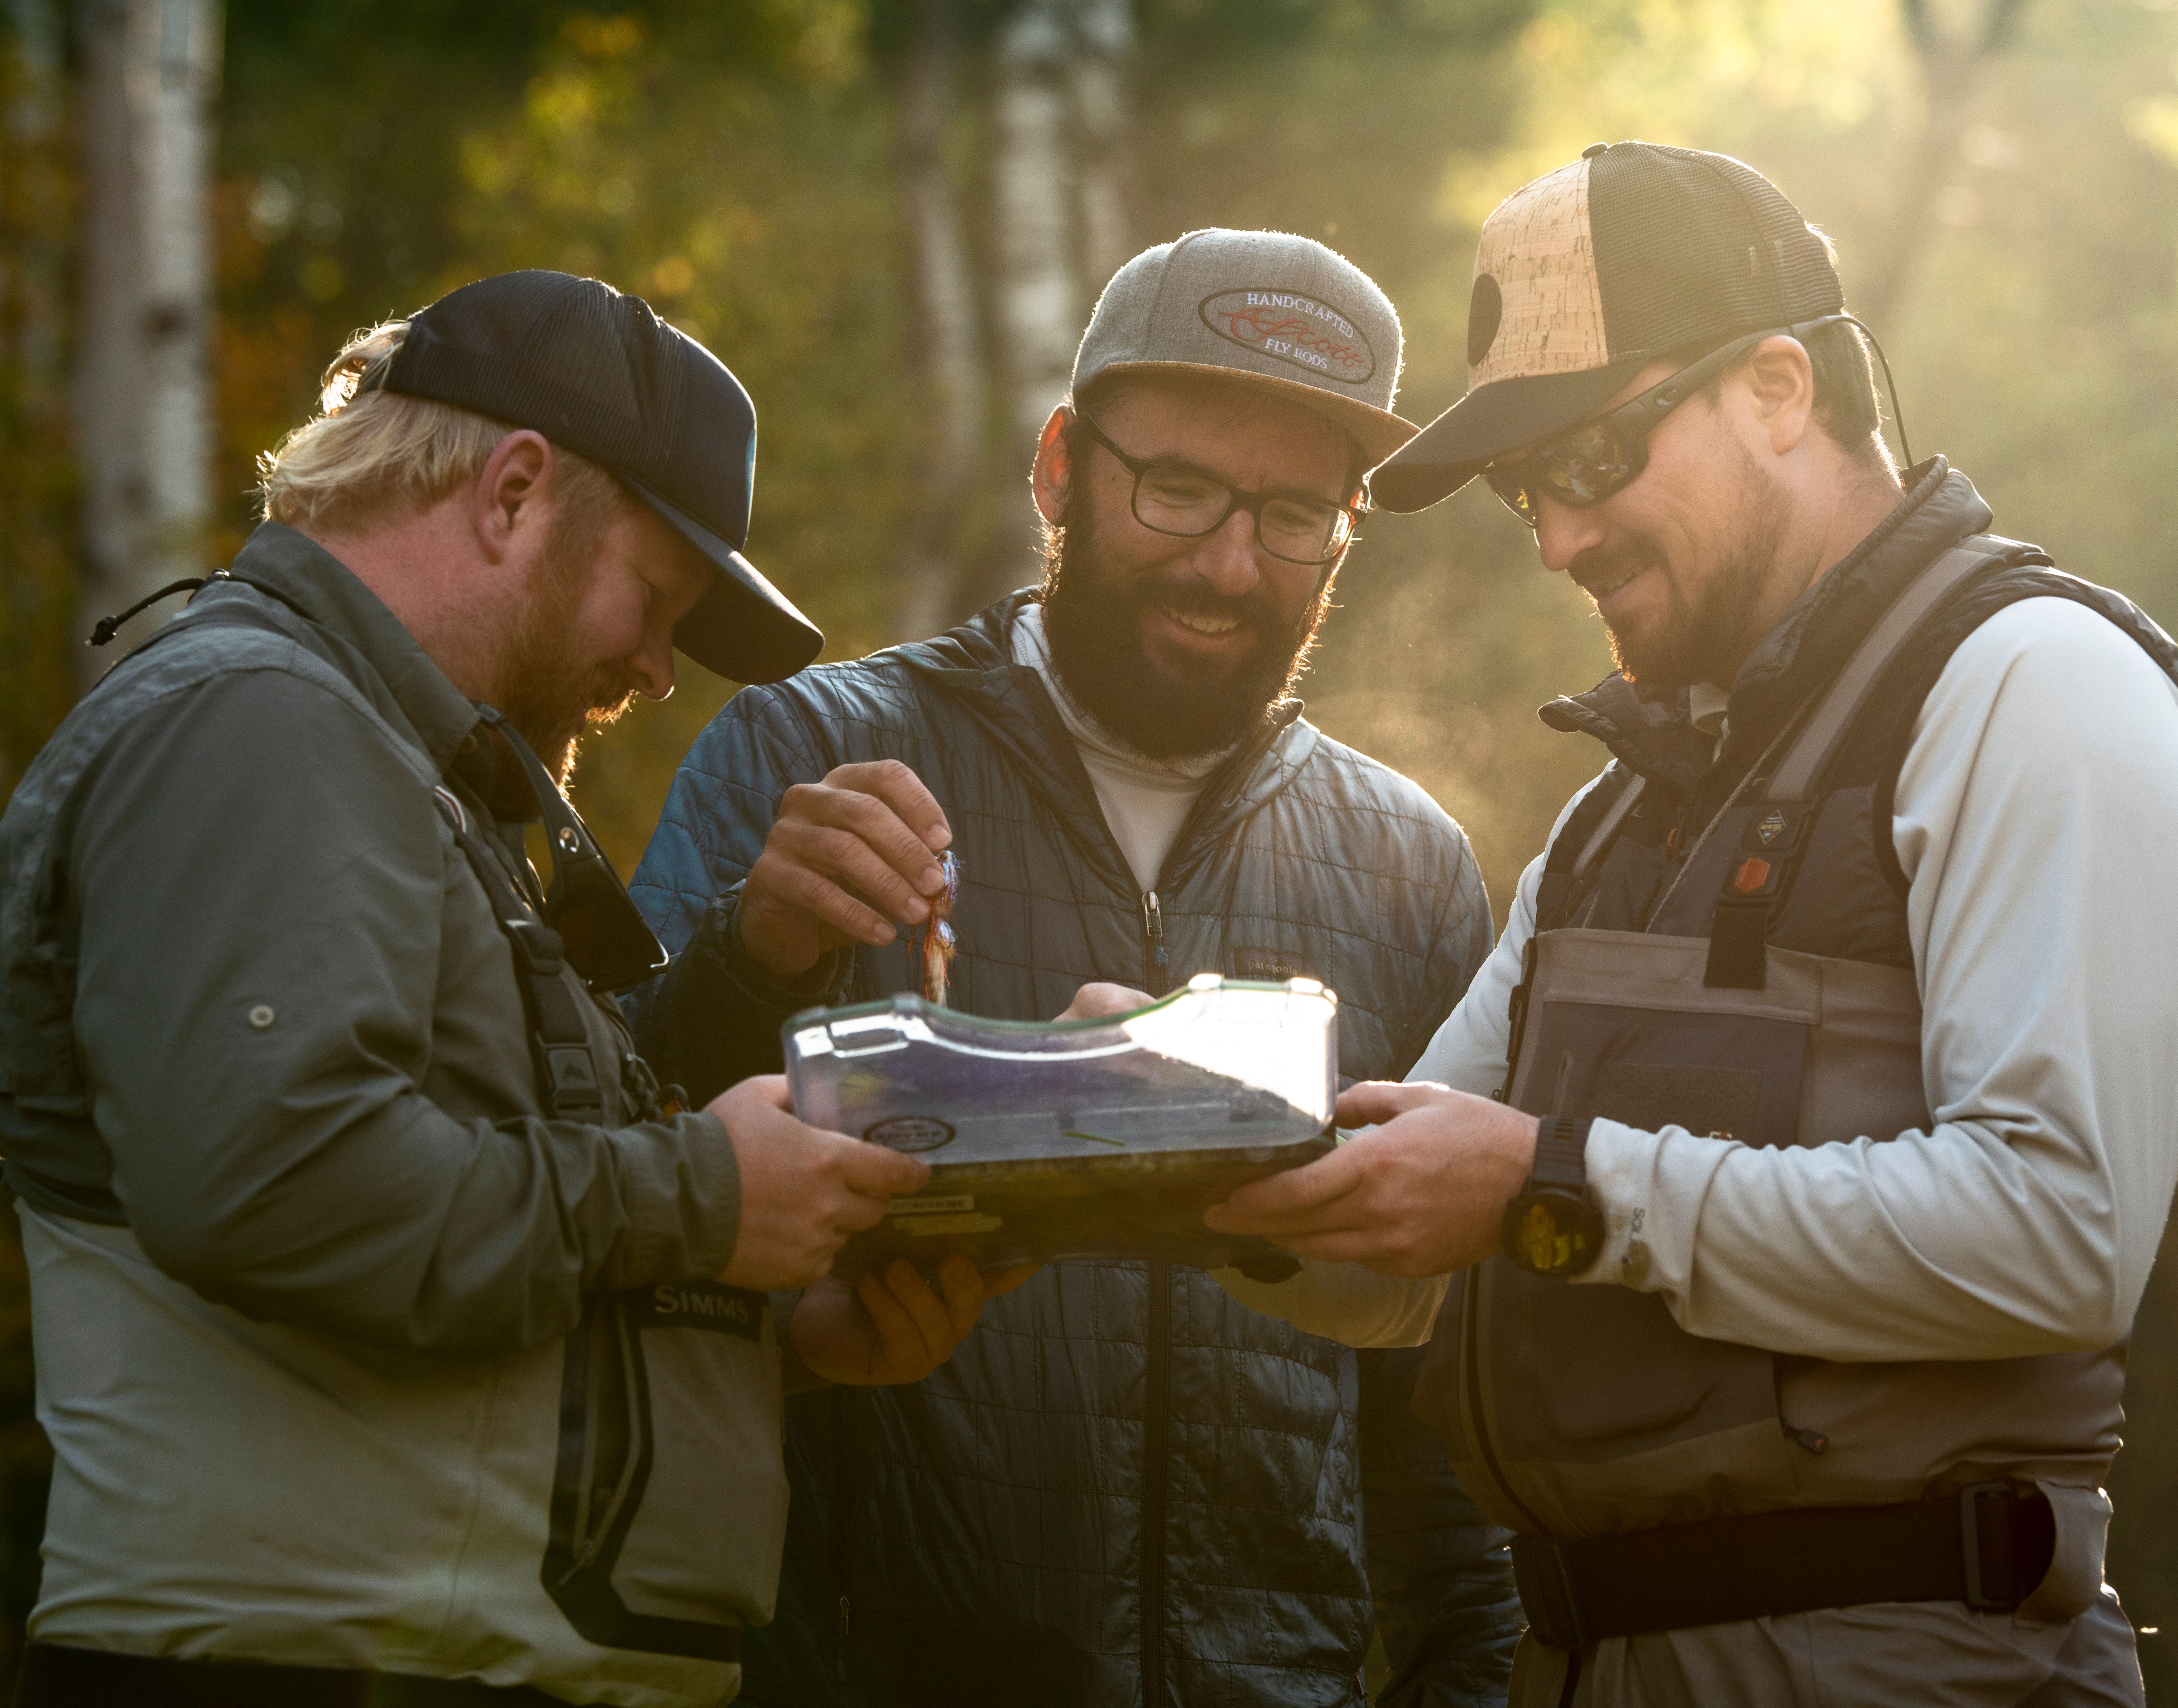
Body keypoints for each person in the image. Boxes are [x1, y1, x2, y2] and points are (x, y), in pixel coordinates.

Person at [1196, 142, 2178, 1706]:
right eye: (1521, 485)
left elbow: (2059, 1239)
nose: (1556, 535)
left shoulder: (2038, 685)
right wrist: (1170, 1146)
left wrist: (1559, 1182)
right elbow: (1406, 1258)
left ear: (1776, 390)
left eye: (1595, 455)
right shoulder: (1612, 815)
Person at [0, 271, 1017, 1708]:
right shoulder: (260, 724)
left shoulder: (368, 762)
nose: (656, 671)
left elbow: (474, 1247)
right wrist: (709, 1195)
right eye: (656, 599)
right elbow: (275, 1183)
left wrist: (781, 1323)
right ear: (515, 490)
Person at [625, 231, 1521, 1706]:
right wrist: (745, 954)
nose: (1232, 564)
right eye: (1177, 490)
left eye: (1296, 515)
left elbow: (1445, 1378)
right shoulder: (805, 749)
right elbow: (610, 1165)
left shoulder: (1409, 865)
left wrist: (1464, 1681)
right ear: (1059, 468)